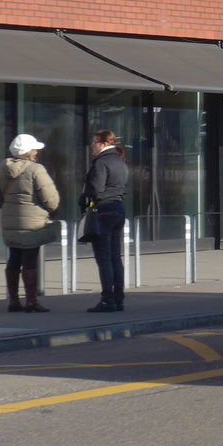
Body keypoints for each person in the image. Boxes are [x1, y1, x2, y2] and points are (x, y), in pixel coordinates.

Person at [0, 133, 60, 313]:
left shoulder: (0, 168)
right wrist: (51, 209)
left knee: (14, 258)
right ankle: (31, 300)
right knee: (30, 259)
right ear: (28, 151)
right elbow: (51, 199)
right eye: (34, 149)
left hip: (10, 222)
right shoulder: (36, 170)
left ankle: (13, 300)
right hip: (33, 223)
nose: (36, 152)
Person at [81, 129, 129, 313]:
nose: (92, 145)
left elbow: (96, 189)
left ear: (102, 143)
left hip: (103, 211)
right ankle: (118, 298)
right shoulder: (120, 161)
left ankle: (107, 299)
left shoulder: (101, 162)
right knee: (116, 258)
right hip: (118, 209)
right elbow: (124, 189)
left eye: (94, 142)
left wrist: (86, 200)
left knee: (104, 258)